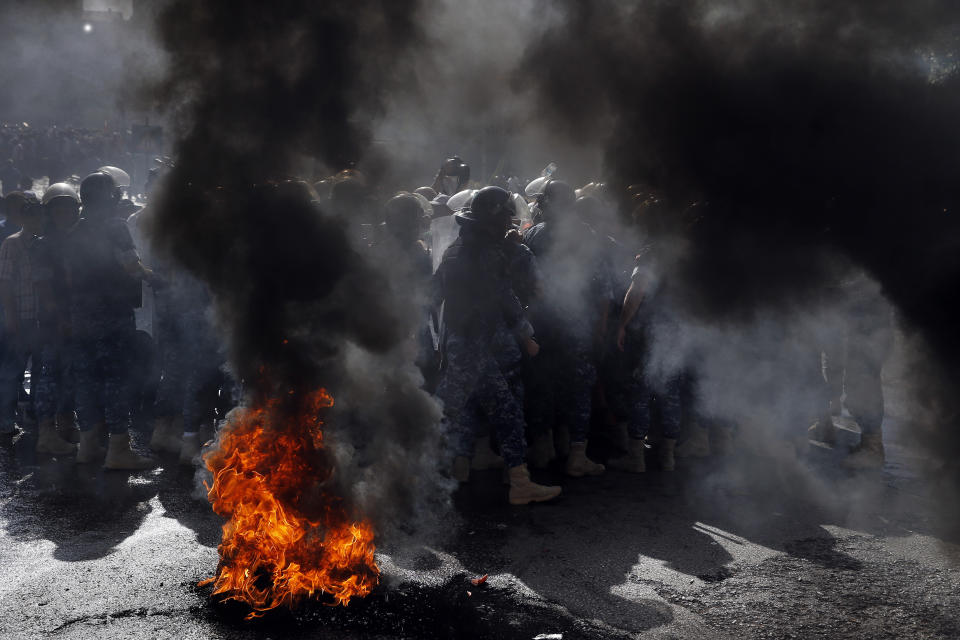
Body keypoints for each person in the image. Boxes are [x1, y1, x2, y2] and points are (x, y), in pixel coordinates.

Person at [432, 185, 560, 505]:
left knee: (456, 410)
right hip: (475, 345)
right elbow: (505, 299)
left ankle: (454, 473)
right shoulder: (486, 255)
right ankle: (518, 483)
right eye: (505, 217)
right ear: (493, 220)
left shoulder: (456, 251)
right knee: (497, 412)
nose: (509, 223)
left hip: (461, 344)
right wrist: (527, 336)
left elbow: (433, 295)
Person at [66, 171, 159, 469]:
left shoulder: (75, 229)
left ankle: (88, 445)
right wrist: (153, 277)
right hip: (111, 315)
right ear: (111, 196)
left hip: (80, 317)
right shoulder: (115, 227)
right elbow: (131, 265)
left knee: (86, 380)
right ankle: (119, 448)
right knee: (115, 379)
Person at [522, 181, 610, 477]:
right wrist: (601, 327)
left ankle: (543, 448)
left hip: (542, 323)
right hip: (577, 325)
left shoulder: (532, 234)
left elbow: (524, 284)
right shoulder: (587, 235)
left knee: (542, 384)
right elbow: (602, 290)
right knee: (578, 390)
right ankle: (576, 455)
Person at [0, 192, 76, 453]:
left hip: (41, 319)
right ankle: (6, 421)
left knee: (43, 370)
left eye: (39, 219)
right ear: (24, 219)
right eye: (32, 219)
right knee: (14, 371)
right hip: (22, 317)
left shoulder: (44, 244)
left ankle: (37, 417)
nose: (36, 224)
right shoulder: (13, 243)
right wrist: (10, 317)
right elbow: (6, 283)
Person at [32, 183, 84, 450]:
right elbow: (43, 287)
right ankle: (46, 434)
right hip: (55, 321)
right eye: (58, 209)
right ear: (49, 213)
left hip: (78, 318)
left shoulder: (76, 240)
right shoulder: (44, 246)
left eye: (68, 208)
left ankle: (66, 424)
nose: (64, 213)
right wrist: (58, 317)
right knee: (50, 375)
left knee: (71, 374)